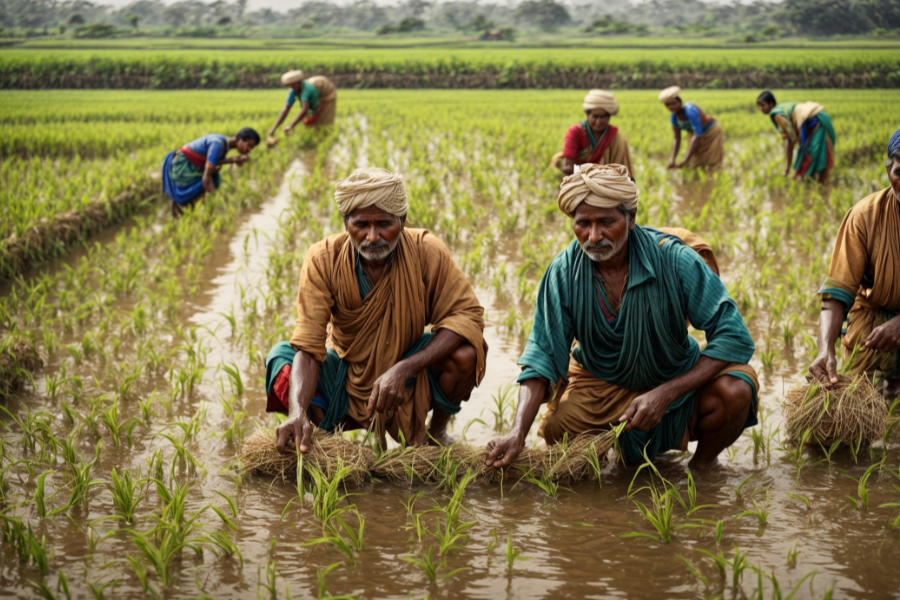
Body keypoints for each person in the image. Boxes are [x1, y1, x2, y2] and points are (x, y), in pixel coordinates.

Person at [484, 164, 758, 470]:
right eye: (582, 223)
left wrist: (665, 394)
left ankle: (702, 469)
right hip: (600, 383)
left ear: (631, 219)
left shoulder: (674, 260)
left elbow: (733, 335)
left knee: (735, 391)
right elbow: (542, 355)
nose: (594, 235)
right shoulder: (564, 272)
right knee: (556, 429)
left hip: (671, 376)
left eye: (606, 222)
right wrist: (517, 432)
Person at [269, 167, 488, 454]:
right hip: (348, 371)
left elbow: (466, 316)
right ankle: (313, 438)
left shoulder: (426, 251)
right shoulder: (323, 259)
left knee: (466, 352)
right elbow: (309, 347)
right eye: (361, 225)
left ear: (402, 220)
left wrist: (404, 368)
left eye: (384, 223)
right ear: (346, 223)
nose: (372, 237)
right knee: (282, 359)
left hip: (408, 365)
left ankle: (436, 434)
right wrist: (297, 410)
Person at [808, 128, 900, 395]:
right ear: (889, 173)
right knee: (860, 395)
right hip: (874, 320)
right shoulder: (865, 218)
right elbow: (838, 293)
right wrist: (826, 348)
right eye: (899, 172)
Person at [161, 128, 259, 217]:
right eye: (248, 145)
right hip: (181, 167)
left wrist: (233, 160)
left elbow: (213, 161)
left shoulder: (224, 144)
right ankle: (195, 209)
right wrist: (215, 201)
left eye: (251, 148)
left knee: (214, 173)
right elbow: (206, 177)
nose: (249, 150)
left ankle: (189, 209)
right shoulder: (218, 144)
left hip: (190, 165)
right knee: (212, 178)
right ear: (239, 139)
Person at [756, 90, 835, 183]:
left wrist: (787, 168)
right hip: (820, 118)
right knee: (818, 153)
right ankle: (819, 183)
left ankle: (813, 184)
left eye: (763, 105)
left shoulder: (776, 114)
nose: (760, 108)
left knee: (809, 154)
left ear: (771, 104)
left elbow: (790, 138)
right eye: (759, 105)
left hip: (816, 122)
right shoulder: (782, 108)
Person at [553, 89, 635, 179]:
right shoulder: (575, 132)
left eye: (603, 117)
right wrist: (561, 167)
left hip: (609, 187)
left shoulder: (615, 138)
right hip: (580, 184)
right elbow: (570, 168)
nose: (598, 122)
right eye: (594, 117)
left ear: (609, 116)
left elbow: (624, 174)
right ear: (587, 115)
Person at [659, 86, 724, 169]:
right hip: (696, 134)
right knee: (696, 160)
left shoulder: (690, 110)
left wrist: (686, 158)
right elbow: (677, 139)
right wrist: (672, 159)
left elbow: (698, 134)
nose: (671, 107)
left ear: (680, 102)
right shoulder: (674, 118)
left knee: (711, 160)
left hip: (710, 132)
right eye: (668, 105)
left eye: (674, 103)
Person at [267, 70, 338, 145]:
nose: (289, 87)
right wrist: (273, 128)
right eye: (288, 85)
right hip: (313, 101)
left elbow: (304, 110)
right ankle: (313, 141)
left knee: (324, 123)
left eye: (291, 85)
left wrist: (291, 126)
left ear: (297, 83)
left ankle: (325, 142)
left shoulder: (306, 90)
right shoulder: (293, 91)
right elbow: (286, 109)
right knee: (310, 123)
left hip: (326, 95)